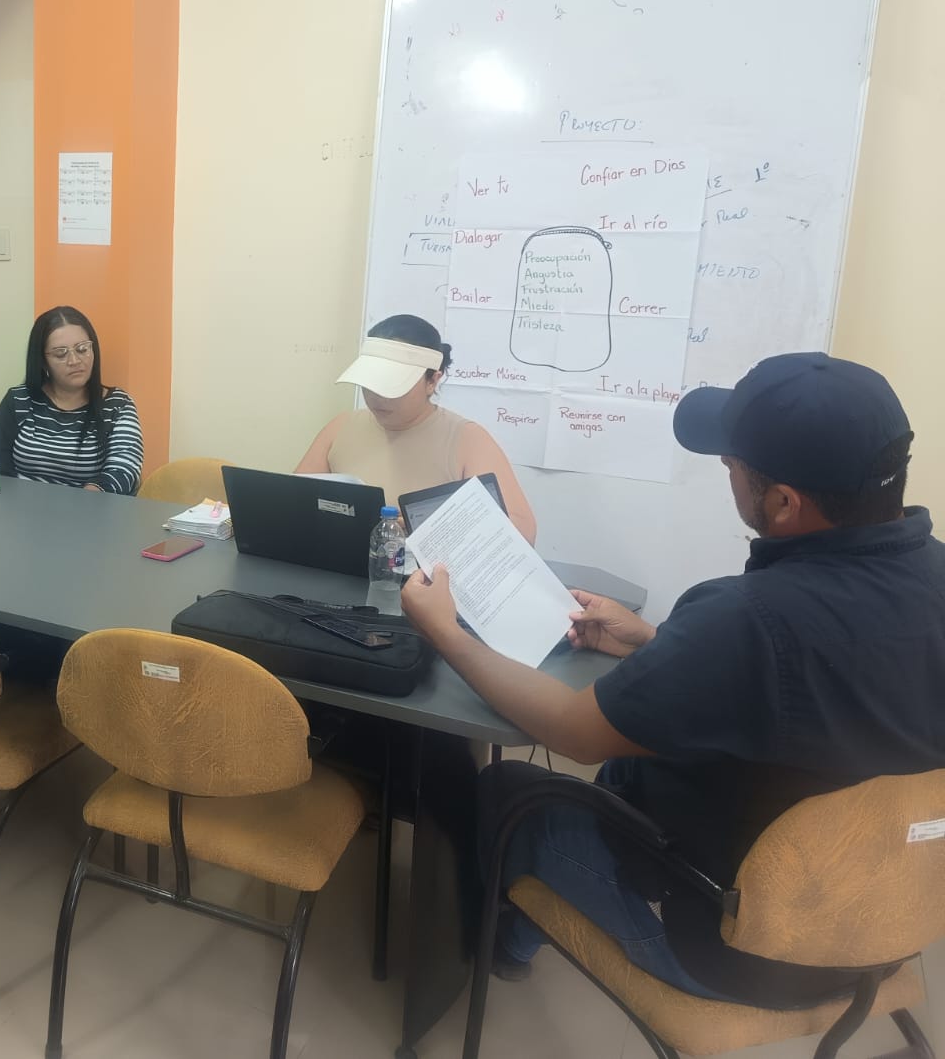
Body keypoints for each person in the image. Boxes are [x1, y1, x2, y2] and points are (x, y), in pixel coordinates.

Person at [399, 352, 945, 1005]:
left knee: (504, 792)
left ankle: (504, 944)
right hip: (890, 918)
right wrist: (657, 645)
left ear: (783, 502)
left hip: (737, 945)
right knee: (629, 767)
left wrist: (445, 632)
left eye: (733, 463)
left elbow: (574, 733)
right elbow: (825, 697)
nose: (726, 470)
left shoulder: (744, 618)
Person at [297, 314, 537, 542]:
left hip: (426, 571)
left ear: (432, 380)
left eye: (392, 386)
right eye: (370, 383)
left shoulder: (467, 439)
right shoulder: (341, 427)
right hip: (341, 563)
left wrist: (431, 527)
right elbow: (293, 501)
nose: (377, 397)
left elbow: (522, 531)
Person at [0, 305, 144, 495]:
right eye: (60, 353)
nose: (74, 361)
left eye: (82, 349)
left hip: (90, 507)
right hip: (21, 507)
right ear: (42, 361)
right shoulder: (19, 400)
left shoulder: (118, 406)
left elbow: (124, 470)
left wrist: (88, 497)